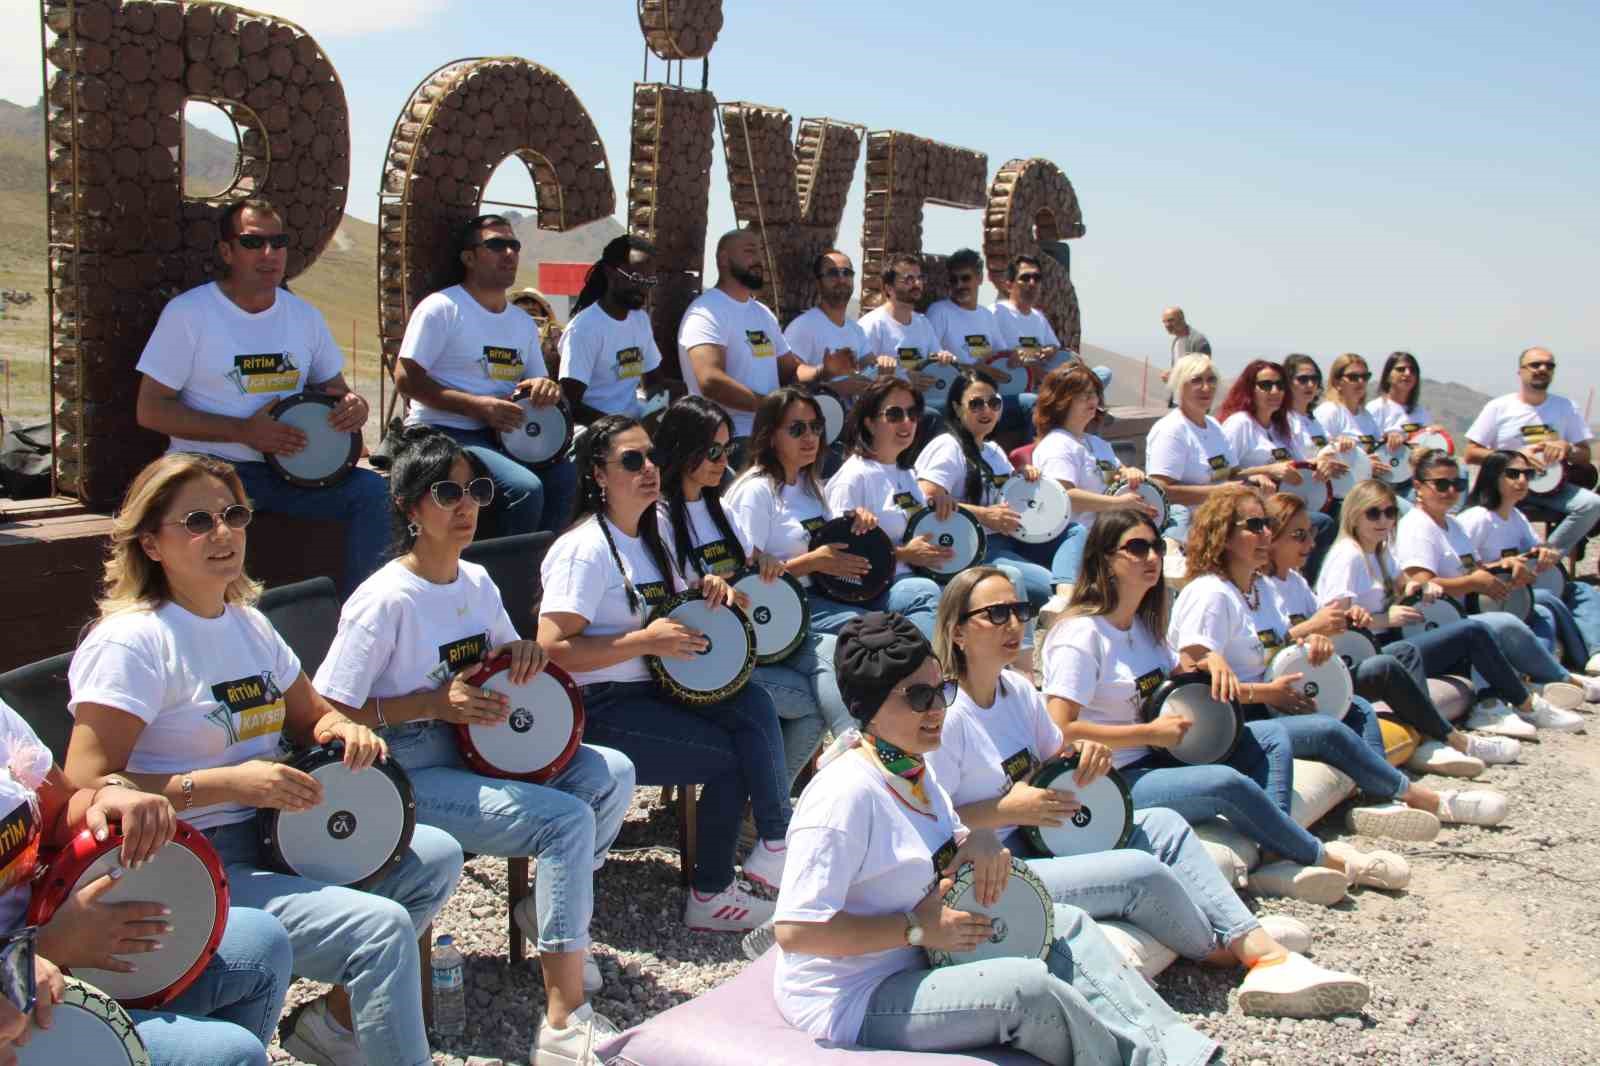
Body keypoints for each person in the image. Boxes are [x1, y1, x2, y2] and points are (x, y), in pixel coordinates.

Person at [61, 452, 463, 1066]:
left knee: (433, 856)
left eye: (233, 514)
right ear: (151, 543)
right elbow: (84, 786)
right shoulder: (134, 643)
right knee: (378, 929)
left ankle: (334, 1028)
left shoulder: (247, 624)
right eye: (197, 521)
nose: (221, 533)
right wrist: (228, 785)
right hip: (190, 862)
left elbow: (314, 712)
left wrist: (340, 729)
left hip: (276, 837)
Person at [310, 428, 636, 1064]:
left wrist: (522, 653)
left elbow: (501, 657)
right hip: (404, 768)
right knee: (565, 819)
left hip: (475, 748)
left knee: (611, 773)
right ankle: (565, 1020)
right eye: (447, 492)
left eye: (477, 490)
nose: (466, 506)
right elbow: (328, 713)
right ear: (409, 507)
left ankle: (548, 914)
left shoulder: (477, 581)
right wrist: (431, 705)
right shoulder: (384, 600)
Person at [770, 611, 1218, 1063]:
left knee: (1066, 923)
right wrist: (916, 928)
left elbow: (951, 840)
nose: (937, 709)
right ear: (867, 707)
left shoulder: (909, 767)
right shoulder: (843, 796)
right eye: (919, 697)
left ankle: (1182, 1056)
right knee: (1028, 991)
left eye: (942, 690)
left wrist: (980, 841)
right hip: (856, 994)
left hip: (926, 953)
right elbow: (796, 931)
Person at [929, 569, 1369, 1017]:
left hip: (1046, 836)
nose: (1013, 624)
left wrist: (1087, 753)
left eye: (1019, 611)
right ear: (957, 630)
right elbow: (932, 823)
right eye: (996, 613)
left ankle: (1253, 945)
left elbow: (1056, 754)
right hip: (997, 869)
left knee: (1165, 824)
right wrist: (1007, 808)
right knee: (1139, 871)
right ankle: (1234, 950)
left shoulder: (1017, 690)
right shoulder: (944, 717)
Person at [1041, 509, 1397, 905]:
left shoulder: (1145, 627)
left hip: (1160, 756)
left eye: (1157, 546)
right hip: (1114, 777)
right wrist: (1147, 734)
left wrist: (1207, 662)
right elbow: (1059, 731)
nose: (1152, 558)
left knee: (1270, 736)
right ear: (1105, 559)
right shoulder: (1082, 635)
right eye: (1137, 548)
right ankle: (1327, 857)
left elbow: (1190, 685)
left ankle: (1277, 850)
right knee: (1225, 783)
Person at [536, 415, 789, 932]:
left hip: (653, 688)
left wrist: (709, 591)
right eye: (632, 460)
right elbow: (552, 651)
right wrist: (644, 641)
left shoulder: (652, 533)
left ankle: (776, 841)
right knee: (727, 759)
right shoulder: (583, 550)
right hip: (598, 706)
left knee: (754, 703)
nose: (650, 468)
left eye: (651, 456)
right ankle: (712, 893)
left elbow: (672, 607)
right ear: (598, 476)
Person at [1172, 485, 1507, 853]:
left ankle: (1380, 800)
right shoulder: (1211, 593)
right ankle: (1425, 799)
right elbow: (1193, 674)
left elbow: (1277, 647)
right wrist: (1267, 692)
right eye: (1255, 525)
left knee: (1359, 708)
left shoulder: (1256, 591)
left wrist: (1310, 643)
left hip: (1271, 699)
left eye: (1268, 524)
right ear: (1223, 533)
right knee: (1328, 729)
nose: (1267, 533)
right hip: (1235, 717)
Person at [0, 693, 292, 1066]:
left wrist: (104, 800)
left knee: (262, 942)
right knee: (232, 1054)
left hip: (49, 937)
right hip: (20, 990)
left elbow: (58, 812)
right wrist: (47, 947)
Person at [134, 198, 387, 595]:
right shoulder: (190, 314)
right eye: (253, 243)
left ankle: (365, 620)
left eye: (278, 242)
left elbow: (337, 389)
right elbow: (150, 410)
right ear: (226, 251)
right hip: (210, 471)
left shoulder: (304, 317)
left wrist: (355, 406)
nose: (269, 254)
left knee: (374, 494)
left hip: (292, 473)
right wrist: (243, 432)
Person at [655, 396, 850, 790]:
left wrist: (762, 564)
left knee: (827, 654)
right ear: (681, 449)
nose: (720, 460)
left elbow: (746, 565)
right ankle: (774, 800)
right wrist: (704, 585)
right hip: (701, 656)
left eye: (726, 450)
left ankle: (841, 748)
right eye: (711, 450)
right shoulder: (657, 517)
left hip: (744, 641)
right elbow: (660, 598)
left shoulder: (719, 510)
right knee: (818, 682)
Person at [1267, 489, 1519, 775]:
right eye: (1300, 536)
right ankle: (1453, 737)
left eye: (1390, 512)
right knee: (1410, 655)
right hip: (1306, 682)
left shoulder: (1298, 582)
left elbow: (1334, 622)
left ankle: (1439, 734)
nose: (1312, 543)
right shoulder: (1274, 585)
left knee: (1410, 650)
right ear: (1270, 539)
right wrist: (1370, 620)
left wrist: (1353, 616)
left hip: (1330, 665)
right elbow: (1274, 644)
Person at [1316, 474, 1580, 740]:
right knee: (1471, 631)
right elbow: (1336, 623)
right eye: (1373, 513)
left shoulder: (1379, 550)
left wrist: (1418, 586)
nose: (1383, 520)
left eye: (1390, 512)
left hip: (1390, 639)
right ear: (1354, 515)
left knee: (1471, 632)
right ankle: (1521, 705)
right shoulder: (1348, 556)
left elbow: (1403, 581)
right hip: (1371, 651)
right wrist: (1386, 618)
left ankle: (1507, 702)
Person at [395, 213, 577, 537]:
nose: (509, 253)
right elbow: (406, 378)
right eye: (496, 245)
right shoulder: (442, 308)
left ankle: (543, 571)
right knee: (525, 488)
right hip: (444, 431)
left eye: (514, 245)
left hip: (505, 438)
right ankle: (505, 575)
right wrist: (478, 408)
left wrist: (544, 386)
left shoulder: (521, 322)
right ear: (469, 257)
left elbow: (536, 380)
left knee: (567, 477)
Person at [1394, 449, 1598, 729]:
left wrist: (1502, 566)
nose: (1451, 491)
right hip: (1435, 622)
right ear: (1417, 486)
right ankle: (1560, 682)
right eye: (1441, 484)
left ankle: (1552, 680)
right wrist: (1473, 583)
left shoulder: (1451, 524)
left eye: (1458, 484)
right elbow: (1422, 588)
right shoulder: (1418, 527)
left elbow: (1473, 567)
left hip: (1465, 609)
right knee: (1505, 621)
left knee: (1540, 606)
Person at [912, 369, 1054, 618]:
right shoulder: (948, 446)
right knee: (1027, 583)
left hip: (1001, 545)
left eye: (994, 403)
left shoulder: (993, 450)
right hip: (963, 551)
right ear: (957, 408)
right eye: (976, 404)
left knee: (1057, 580)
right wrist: (984, 515)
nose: (986, 410)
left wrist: (1024, 475)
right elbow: (927, 498)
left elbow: (1010, 494)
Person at [820, 377, 952, 638]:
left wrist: (944, 509)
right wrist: (902, 555)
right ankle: (931, 673)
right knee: (924, 593)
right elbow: (839, 557)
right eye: (894, 414)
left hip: (914, 575)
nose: (906, 422)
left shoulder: (906, 472)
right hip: (875, 589)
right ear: (869, 422)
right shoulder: (854, 477)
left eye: (913, 414)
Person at [1460, 449, 1600, 673]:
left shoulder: (1517, 517)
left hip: (1520, 590)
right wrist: (1499, 566)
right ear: (1493, 476)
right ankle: (1581, 657)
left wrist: (1545, 553)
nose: (1523, 480)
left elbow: (1534, 551)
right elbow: (1462, 568)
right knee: (1546, 599)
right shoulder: (1476, 518)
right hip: (1491, 597)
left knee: (1581, 589)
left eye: (1528, 474)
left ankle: (1595, 654)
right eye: (1513, 474)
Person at [678, 229, 818, 440]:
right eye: (750, 251)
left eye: (760, 252)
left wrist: (825, 370)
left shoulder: (763, 313)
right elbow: (710, 380)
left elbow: (790, 369)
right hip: (726, 438)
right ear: (724, 259)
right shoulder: (706, 311)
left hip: (768, 434)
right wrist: (772, 408)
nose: (759, 260)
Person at [1464, 346, 1600, 558]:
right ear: (1521, 371)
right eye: (1535, 364)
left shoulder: (1565, 407)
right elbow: (1471, 453)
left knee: (1592, 505)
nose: (1542, 369)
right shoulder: (1499, 407)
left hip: (1550, 488)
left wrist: (1567, 448)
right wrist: (1515, 456)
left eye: (1549, 365)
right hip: (1506, 487)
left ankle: (1545, 557)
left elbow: (1585, 454)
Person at [1028, 364, 1156, 587]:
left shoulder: (1096, 443)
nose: (1092, 400)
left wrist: (1130, 473)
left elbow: (1118, 474)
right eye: (1083, 395)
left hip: (1110, 538)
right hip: (1081, 545)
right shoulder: (1057, 445)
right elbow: (1065, 496)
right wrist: (1117, 504)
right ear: (1060, 400)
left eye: (1094, 393)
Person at [1217, 360, 1334, 580]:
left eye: (1280, 385)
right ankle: (1305, 582)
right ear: (1250, 388)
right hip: (1258, 507)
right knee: (1322, 524)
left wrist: (1320, 464)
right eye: (1266, 385)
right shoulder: (1240, 424)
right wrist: (1266, 470)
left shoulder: (1281, 427)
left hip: (1288, 505)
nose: (1275, 391)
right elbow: (1225, 475)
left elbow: (1300, 465)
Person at [1146, 353, 1266, 542]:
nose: (1206, 387)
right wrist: (1216, 493)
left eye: (1211, 380)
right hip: (1190, 528)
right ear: (1179, 385)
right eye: (1196, 381)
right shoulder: (1172, 430)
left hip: (1223, 518)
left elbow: (1232, 474)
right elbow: (1161, 491)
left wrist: (1253, 478)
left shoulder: (1213, 425)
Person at [559, 235, 671, 422]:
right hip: (593, 431)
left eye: (649, 282)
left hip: (632, 426)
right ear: (610, 272)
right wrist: (624, 429)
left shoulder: (640, 320)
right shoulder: (585, 328)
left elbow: (654, 382)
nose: (643, 288)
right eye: (635, 278)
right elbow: (570, 403)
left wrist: (655, 414)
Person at [925, 249, 1031, 434]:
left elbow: (1001, 357)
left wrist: (1016, 357)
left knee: (1034, 402)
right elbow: (930, 362)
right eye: (953, 280)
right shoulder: (939, 312)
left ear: (979, 278)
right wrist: (974, 369)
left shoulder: (986, 316)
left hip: (989, 398)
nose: (959, 285)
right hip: (958, 398)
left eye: (965, 278)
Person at [782, 250, 884, 400]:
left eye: (847, 273)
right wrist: (830, 383)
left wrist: (883, 364)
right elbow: (790, 376)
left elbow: (870, 366)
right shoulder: (803, 327)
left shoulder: (855, 330)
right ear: (818, 283)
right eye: (833, 273)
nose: (841, 279)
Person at [858, 254, 954, 379]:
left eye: (920, 278)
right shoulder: (871, 325)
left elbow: (934, 362)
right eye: (909, 279)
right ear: (889, 288)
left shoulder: (923, 324)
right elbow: (863, 378)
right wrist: (904, 379)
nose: (917, 283)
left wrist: (943, 358)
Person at [1313, 354, 1398, 484]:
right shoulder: (1329, 411)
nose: (1360, 382)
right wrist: (1366, 465)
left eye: (1365, 377)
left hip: (1368, 485)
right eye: (1353, 377)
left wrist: (1391, 439)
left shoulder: (1366, 415)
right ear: (1337, 382)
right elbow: (1321, 457)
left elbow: (1377, 451)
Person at [1282, 354, 1352, 502]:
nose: (1310, 384)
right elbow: (1289, 462)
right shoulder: (1283, 420)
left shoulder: (1314, 421)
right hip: (1301, 496)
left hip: (1326, 491)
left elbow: (1327, 452)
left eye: (1314, 379)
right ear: (1287, 382)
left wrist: (1342, 445)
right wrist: (1318, 462)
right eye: (1303, 379)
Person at [990, 255, 1068, 367]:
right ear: (1009, 286)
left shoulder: (1039, 317)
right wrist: (1007, 356)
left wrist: (1051, 350)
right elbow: (978, 353)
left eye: (1037, 278)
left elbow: (1054, 346)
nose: (1032, 283)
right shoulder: (995, 312)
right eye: (1025, 278)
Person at [1159, 306, 1209, 386]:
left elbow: (1203, 373)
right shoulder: (1175, 342)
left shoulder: (1198, 341)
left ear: (1182, 319)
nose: (1167, 325)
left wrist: (1174, 377)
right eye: (1164, 322)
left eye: (1171, 320)